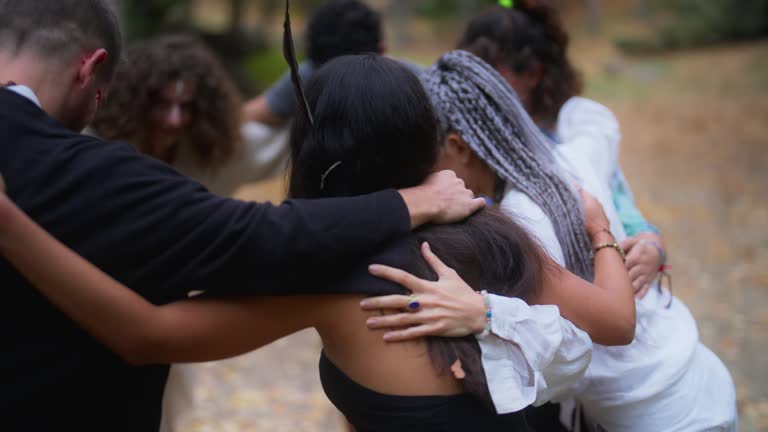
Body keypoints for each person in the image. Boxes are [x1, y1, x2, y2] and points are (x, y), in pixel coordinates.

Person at [0, 54, 639, 430]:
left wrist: (11, 226)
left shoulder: (330, 271)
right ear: (425, 136)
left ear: (316, 150)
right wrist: (604, 233)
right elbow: (615, 321)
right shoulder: (494, 231)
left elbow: (146, 335)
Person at [0, 1, 484, 430]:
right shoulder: (88, 172)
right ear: (91, 68)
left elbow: (149, 330)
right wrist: (409, 202)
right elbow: (252, 238)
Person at [363, 50, 737, 431]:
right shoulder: (566, 158)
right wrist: (651, 240)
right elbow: (596, 122)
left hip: (662, 414)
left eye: (432, 155)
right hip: (695, 378)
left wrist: (601, 234)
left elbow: (617, 325)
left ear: (459, 147)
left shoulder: (522, 217)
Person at [459, 1, 667, 299]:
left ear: (532, 74)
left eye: (493, 77)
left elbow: (625, 214)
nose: (478, 89)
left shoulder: (573, 136)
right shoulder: (467, 144)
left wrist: (652, 244)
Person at [89, 34, 289, 195]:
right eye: (161, 104)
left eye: (186, 107)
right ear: (138, 102)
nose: (173, 120)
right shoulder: (98, 150)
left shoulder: (213, 157)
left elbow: (287, 138)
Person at [241, 0, 421, 127]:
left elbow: (250, 114)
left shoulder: (415, 85)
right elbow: (253, 114)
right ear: (382, 50)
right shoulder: (418, 85)